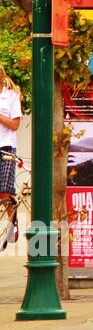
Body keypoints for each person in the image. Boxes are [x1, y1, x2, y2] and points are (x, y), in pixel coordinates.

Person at [0, 66, 21, 242]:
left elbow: (14, 125)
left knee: (5, 192)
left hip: (6, 146)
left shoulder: (11, 97)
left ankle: (12, 225)